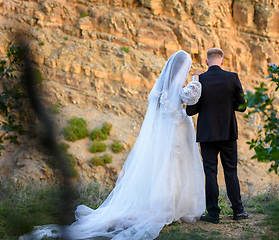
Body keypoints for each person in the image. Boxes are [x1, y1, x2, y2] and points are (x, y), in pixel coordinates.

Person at [20, 50, 205, 240]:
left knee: (167, 169)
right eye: (187, 68)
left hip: (166, 133)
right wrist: (196, 78)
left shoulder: (163, 88)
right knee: (176, 167)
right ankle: (173, 207)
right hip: (176, 133)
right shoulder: (179, 88)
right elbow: (191, 97)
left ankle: (168, 204)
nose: (188, 70)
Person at [186, 47, 248, 224]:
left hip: (207, 134)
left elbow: (191, 110)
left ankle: (213, 214)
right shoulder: (233, 77)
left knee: (210, 173)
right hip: (228, 133)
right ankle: (238, 211)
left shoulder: (200, 80)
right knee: (231, 171)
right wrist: (230, 105)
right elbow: (242, 106)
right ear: (222, 61)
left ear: (206, 62)